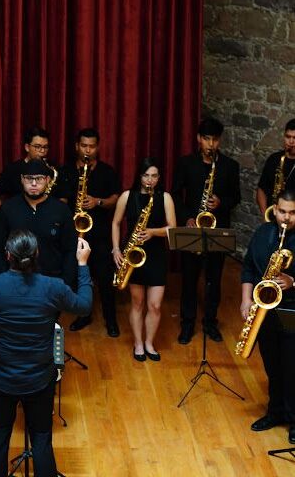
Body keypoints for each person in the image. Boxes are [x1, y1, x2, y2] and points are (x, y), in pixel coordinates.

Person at [0, 230, 93, 477]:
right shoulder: (53, 287)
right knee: (41, 440)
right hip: (39, 380)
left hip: (0, 380)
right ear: (37, 254)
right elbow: (84, 306)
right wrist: (82, 265)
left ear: (8, 255)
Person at [172, 117, 240, 344]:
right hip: (193, 229)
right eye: (207, 139)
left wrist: (221, 202)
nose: (211, 144)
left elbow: (236, 197)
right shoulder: (186, 163)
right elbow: (175, 194)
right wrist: (187, 218)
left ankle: (210, 322)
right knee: (189, 281)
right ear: (198, 139)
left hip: (217, 231)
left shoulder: (230, 166)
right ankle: (187, 324)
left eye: (215, 140)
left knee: (214, 281)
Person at [241, 189, 295, 445]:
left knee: (292, 366)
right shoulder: (264, 232)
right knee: (272, 364)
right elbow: (248, 267)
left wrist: (292, 281)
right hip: (264, 309)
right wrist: (245, 299)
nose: (286, 218)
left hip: (292, 310)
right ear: (275, 209)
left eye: (292, 213)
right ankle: (275, 412)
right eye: (282, 211)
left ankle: (294, 419)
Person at [55, 128, 121, 335]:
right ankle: (84, 315)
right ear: (77, 146)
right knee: (77, 277)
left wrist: (97, 201)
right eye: (84, 146)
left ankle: (111, 319)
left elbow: (116, 199)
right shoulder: (65, 171)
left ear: (97, 147)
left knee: (104, 279)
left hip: (99, 234)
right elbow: (60, 201)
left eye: (92, 146)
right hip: (73, 233)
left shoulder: (106, 171)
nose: (88, 150)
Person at [112, 158, 176, 361]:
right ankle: (138, 343)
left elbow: (172, 228)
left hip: (156, 255)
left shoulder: (165, 198)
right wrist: (116, 249)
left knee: (155, 305)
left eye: (154, 176)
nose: (150, 180)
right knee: (137, 303)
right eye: (146, 175)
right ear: (139, 176)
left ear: (159, 177)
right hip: (133, 255)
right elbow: (115, 223)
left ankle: (149, 343)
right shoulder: (127, 196)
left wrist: (152, 232)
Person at [0, 159, 77, 290]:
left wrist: (65, 284)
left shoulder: (61, 210)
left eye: (39, 179)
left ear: (48, 180)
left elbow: (70, 249)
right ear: (22, 179)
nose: (34, 183)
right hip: (14, 283)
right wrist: (3, 281)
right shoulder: (7, 208)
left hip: (52, 283)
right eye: (29, 178)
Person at [0, 126, 56, 211]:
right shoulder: (12, 169)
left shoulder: (52, 169)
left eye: (45, 147)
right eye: (37, 146)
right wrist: (3, 216)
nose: (42, 151)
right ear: (27, 147)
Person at [256, 118, 295, 218]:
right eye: (288, 137)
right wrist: (265, 216)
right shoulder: (274, 159)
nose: (291, 142)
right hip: (273, 217)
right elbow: (261, 190)